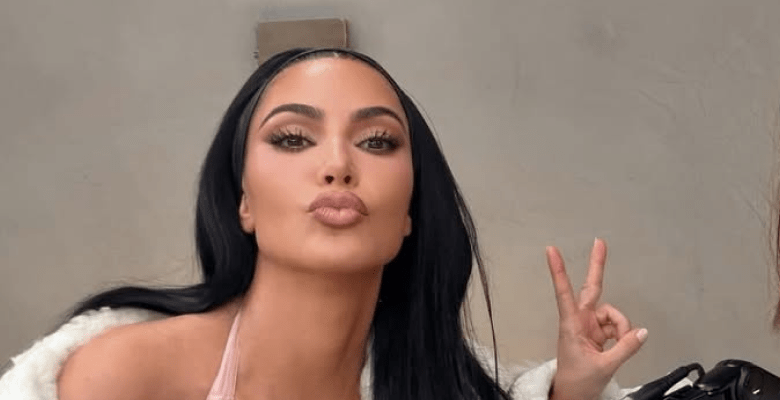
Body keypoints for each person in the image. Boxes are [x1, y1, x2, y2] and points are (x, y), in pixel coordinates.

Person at [0, 48, 647, 400]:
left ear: (410, 214)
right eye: (292, 139)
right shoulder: (126, 374)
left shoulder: (434, 380)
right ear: (242, 202)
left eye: (376, 142)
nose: (337, 165)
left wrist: (573, 390)